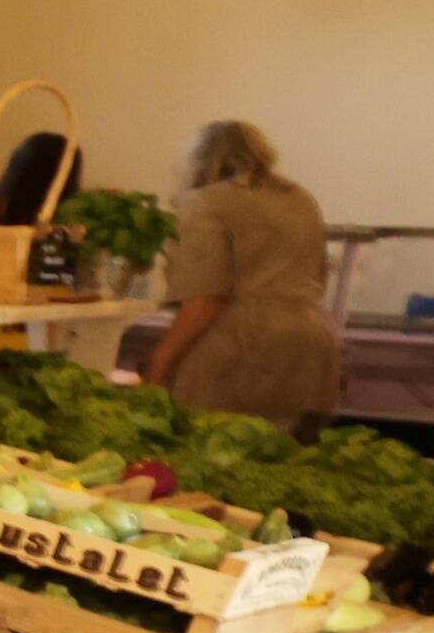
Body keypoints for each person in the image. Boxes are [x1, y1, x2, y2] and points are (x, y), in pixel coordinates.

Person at [145, 118, 343, 423]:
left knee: (214, 453)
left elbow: (206, 299)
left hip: (242, 346)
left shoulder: (205, 203)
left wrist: (159, 364)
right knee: (288, 461)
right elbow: (320, 275)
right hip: (313, 344)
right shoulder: (299, 198)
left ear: (199, 161)